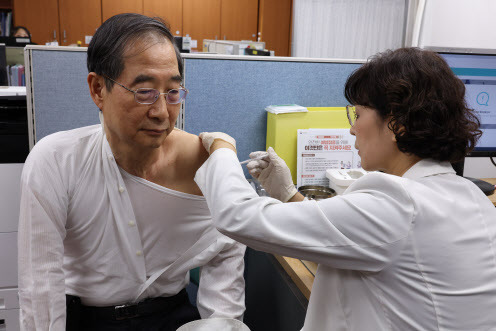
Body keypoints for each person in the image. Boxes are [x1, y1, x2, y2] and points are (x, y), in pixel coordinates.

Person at [195, 48, 496, 330]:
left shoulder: (399, 204)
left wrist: (221, 149)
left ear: (397, 125)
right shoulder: (472, 197)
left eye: (359, 114)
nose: (352, 128)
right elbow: (360, 241)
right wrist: (289, 196)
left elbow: (236, 217)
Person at [18, 13, 245, 331]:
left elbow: (228, 254)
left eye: (172, 92)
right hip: (87, 321)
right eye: (145, 91)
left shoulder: (205, 164)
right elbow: (40, 287)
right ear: (98, 89)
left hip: (172, 319)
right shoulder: (57, 161)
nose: (162, 112)